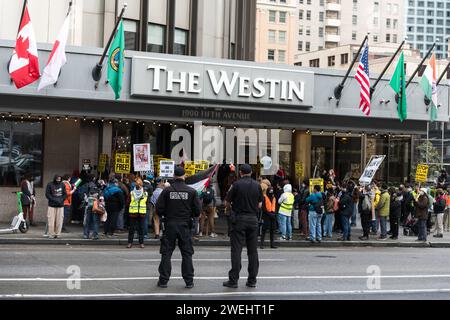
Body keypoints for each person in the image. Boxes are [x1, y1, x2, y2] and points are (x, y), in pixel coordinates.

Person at [156, 167, 201, 289]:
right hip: (185, 225)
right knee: (187, 253)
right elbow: (197, 211)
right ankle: (189, 281)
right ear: (185, 175)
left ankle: (163, 281)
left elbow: (158, 209)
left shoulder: (167, 191)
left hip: (170, 224)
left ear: (174, 175)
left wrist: (167, 213)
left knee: (166, 253)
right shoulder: (191, 192)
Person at [223, 164, 263, 289]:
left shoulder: (236, 185)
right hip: (253, 220)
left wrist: (231, 208)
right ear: (251, 172)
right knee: (252, 251)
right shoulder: (257, 185)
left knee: (236, 250)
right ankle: (252, 280)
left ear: (240, 173)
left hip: (239, 219)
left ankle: (233, 280)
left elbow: (227, 202)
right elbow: (260, 204)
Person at [127, 178, 150, 248]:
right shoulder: (131, 193)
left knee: (141, 228)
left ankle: (141, 242)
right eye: (137, 184)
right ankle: (130, 242)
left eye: (139, 184)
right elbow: (128, 202)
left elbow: (147, 202)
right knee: (132, 228)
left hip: (141, 213)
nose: (138, 186)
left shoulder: (145, 193)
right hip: (133, 212)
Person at [45, 174, 67, 239]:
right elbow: (47, 194)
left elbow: (65, 194)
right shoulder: (50, 184)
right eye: (57, 179)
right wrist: (54, 200)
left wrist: (61, 200)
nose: (58, 180)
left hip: (60, 206)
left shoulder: (62, 185)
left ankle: (58, 234)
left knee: (59, 221)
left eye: (59, 179)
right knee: (51, 221)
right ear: (54, 179)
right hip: (51, 205)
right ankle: (51, 234)